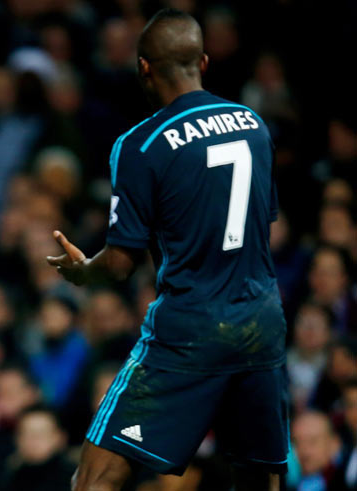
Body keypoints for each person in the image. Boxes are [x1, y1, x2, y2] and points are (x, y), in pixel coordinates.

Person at [47, 9, 288, 491]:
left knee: (95, 478)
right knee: (261, 478)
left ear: (143, 67)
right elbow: (266, 228)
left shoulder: (139, 145)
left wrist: (82, 271)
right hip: (261, 322)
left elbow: (118, 265)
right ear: (202, 60)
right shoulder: (254, 125)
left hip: (189, 328)